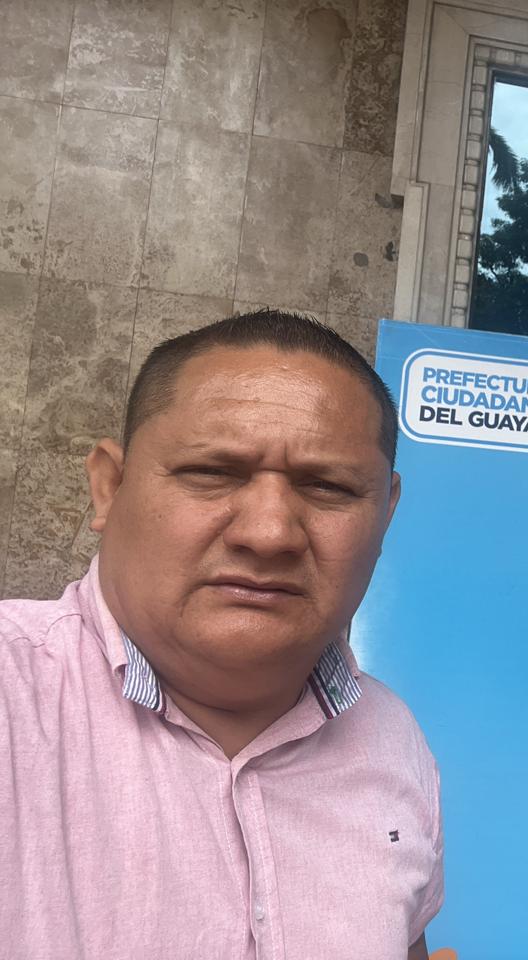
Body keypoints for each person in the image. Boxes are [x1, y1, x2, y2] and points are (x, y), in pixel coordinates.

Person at [0, 311, 443, 960]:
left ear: (386, 514)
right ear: (108, 487)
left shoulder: (393, 740)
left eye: (328, 486)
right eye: (213, 472)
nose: (268, 533)